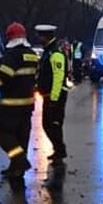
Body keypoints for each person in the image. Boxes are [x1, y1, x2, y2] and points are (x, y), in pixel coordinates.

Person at [0, 22, 39, 179]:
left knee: (4, 135)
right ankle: (16, 169)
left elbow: (3, 78)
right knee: (21, 136)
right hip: (27, 103)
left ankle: (19, 160)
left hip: (10, 104)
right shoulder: (31, 54)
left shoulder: (11, 56)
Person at [35, 24, 68, 165]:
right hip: (48, 96)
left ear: (46, 36)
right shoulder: (48, 52)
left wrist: (54, 98)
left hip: (55, 96)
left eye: (40, 36)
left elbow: (58, 77)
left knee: (53, 124)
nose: (39, 38)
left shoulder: (55, 53)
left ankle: (60, 151)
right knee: (48, 124)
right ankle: (58, 150)